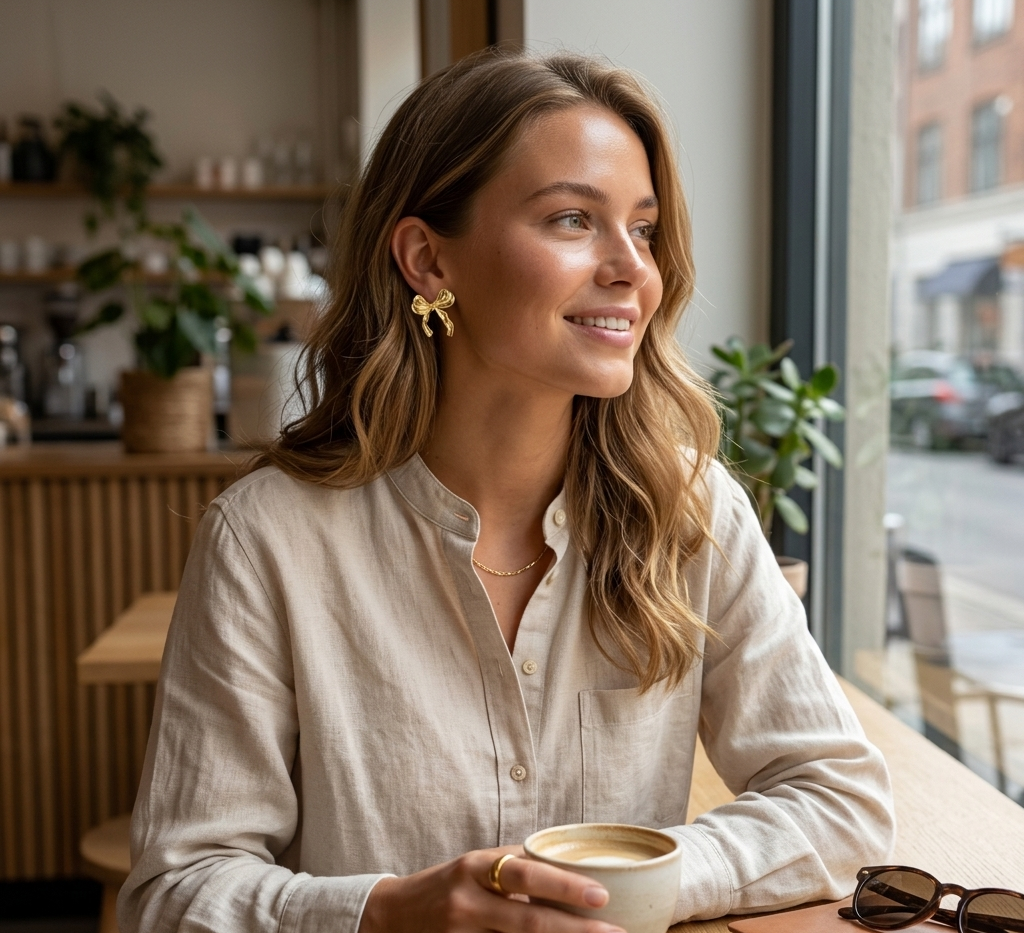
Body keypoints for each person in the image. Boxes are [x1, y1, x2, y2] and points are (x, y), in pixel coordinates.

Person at [119, 51, 895, 933]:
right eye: (573, 219)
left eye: (642, 229)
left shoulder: (690, 508)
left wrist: (643, 883)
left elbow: (841, 800)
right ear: (428, 260)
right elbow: (174, 895)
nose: (634, 271)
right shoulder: (269, 537)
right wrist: (385, 914)